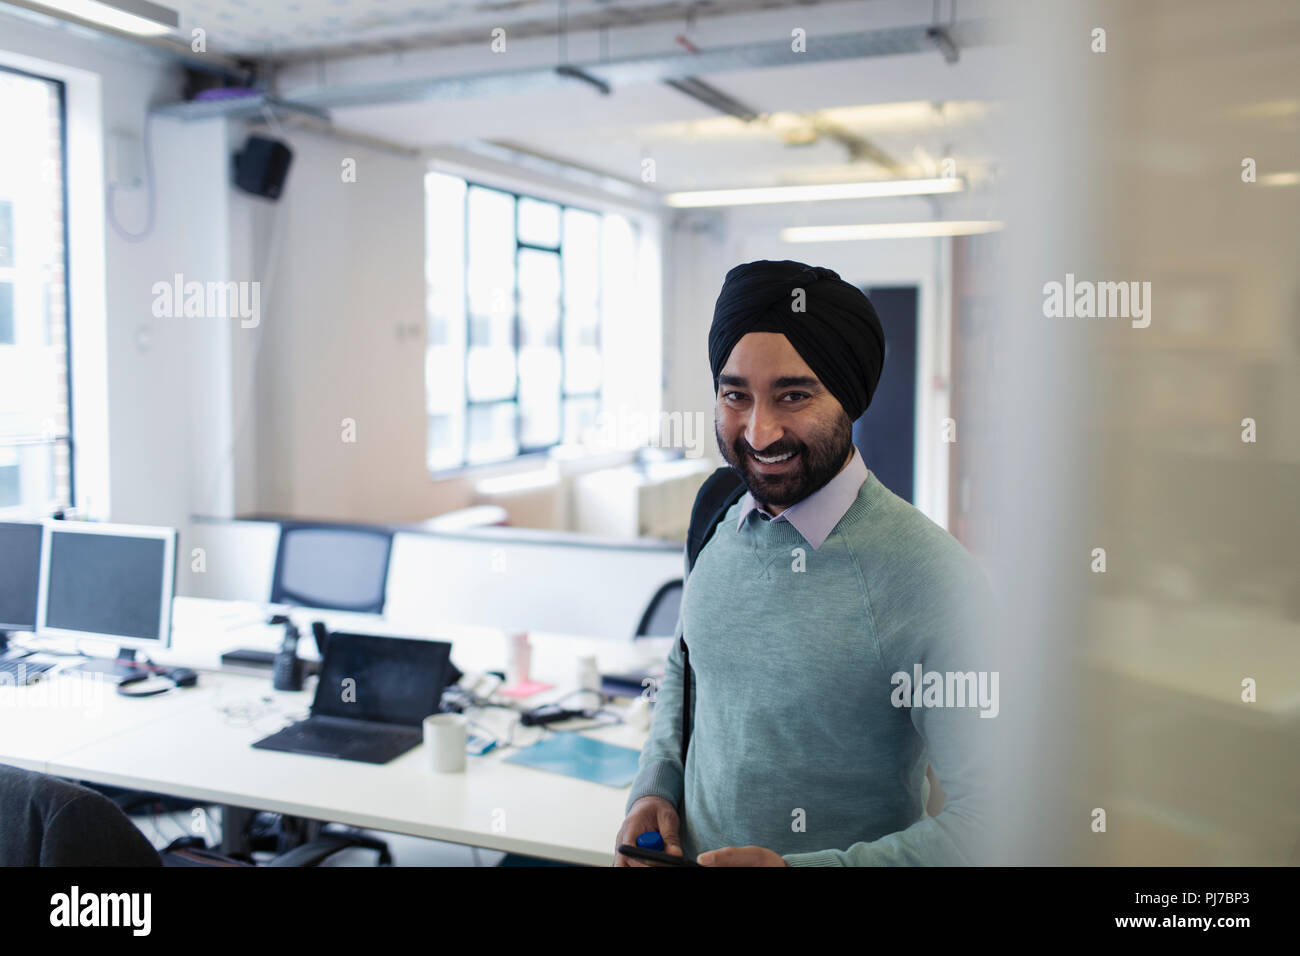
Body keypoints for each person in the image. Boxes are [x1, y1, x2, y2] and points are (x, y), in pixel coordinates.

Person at [614, 259, 1000, 866]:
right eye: (735, 395)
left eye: (793, 395)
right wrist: (655, 787)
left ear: (849, 397)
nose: (759, 432)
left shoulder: (932, 576)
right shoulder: (714, 509)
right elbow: (687, 667)